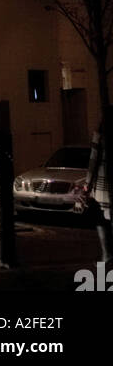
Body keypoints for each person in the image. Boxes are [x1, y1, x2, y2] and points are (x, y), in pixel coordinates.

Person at [84, 109, 113, 262]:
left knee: (101, 219)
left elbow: (93, 159)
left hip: (102, 184)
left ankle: (106, 253)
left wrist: (87, 183)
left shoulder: (100, 134)